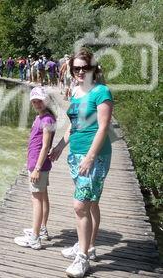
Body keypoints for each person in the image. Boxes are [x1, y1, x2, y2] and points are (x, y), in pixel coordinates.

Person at [49, 48, 114, 278]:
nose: (79, 72)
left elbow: (104, 127)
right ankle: (88, 246)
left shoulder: (101, 92)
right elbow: (74, 126)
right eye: (76, 68)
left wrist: (90, 156)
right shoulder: (76, 91)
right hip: (76, 154)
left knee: (80, 206)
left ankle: (83, 258)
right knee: (91, 203)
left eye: (84, 68)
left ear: (94, 69)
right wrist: (59, 146)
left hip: (94, 156)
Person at [14, 86, 56, 250]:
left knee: (36, 200)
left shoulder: (46, 120)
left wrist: (37, 168)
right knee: (43, 196)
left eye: (40, 100)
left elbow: (45, 146)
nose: (37, 103)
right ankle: (41, 229)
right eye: (34, 101)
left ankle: (35, 238)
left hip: (39, 165)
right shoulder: (43, 117)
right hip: (38, 163)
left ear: (46, 101)